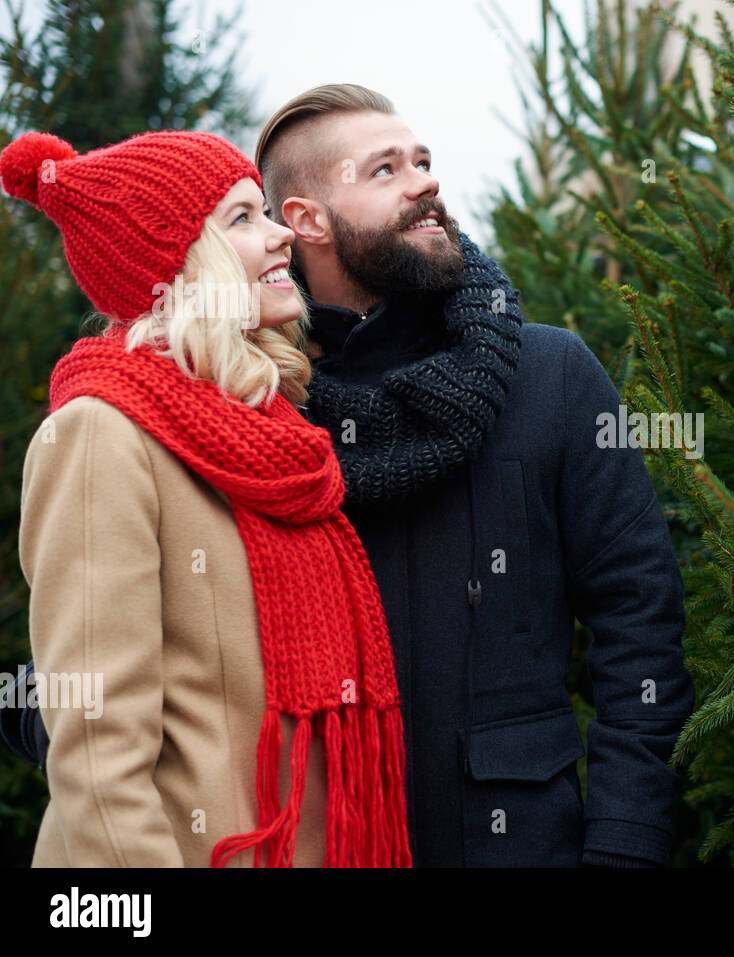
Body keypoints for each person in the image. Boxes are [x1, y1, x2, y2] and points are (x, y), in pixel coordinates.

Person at [7, 83, 698, 868]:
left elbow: (641, 624)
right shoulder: (249, 419)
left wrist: (624, 850)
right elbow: (109, 666)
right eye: (385, 169)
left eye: (425, 161)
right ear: (305, 221)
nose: (425, 180)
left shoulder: (549, 376)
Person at [0, 129, 411, 867]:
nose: (282, 234)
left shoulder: (276, 434)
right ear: (181, 263)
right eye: (243, 218)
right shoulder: (102, 436)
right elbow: (98, 757)